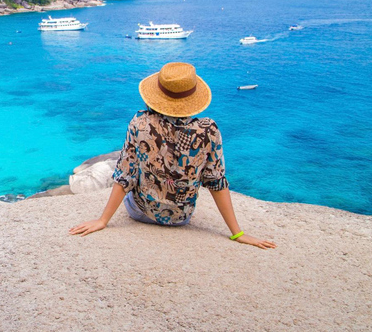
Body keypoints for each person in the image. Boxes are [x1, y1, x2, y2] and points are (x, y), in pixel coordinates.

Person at [69, 62, 276, 250]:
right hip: (181, 217)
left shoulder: (140, 122)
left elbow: (125, 175)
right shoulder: (208, 130)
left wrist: (103, 220)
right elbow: (216, 182)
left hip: (141, 213)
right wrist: (237, 233)